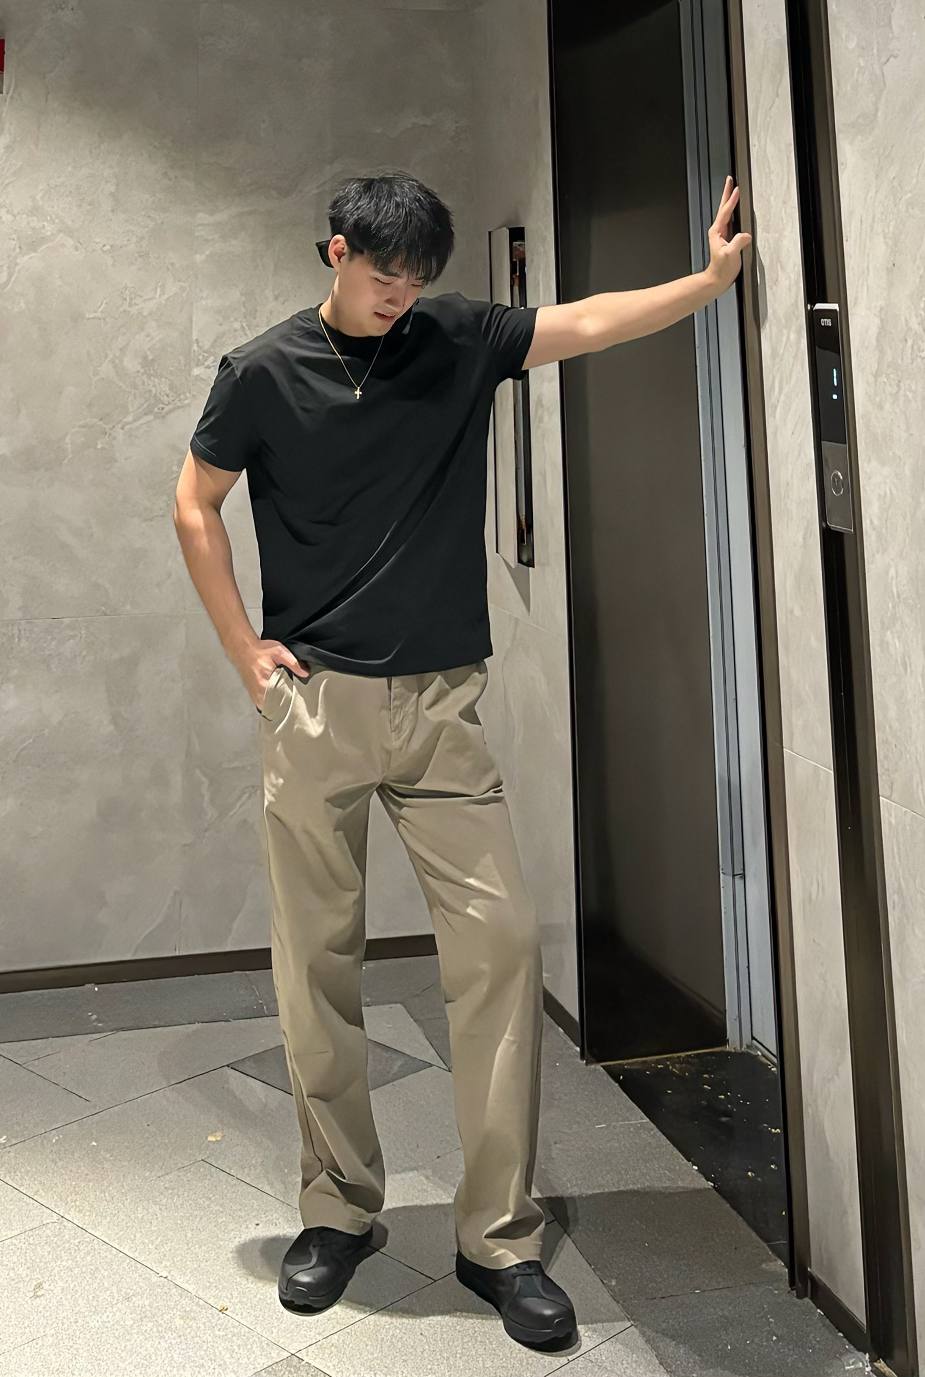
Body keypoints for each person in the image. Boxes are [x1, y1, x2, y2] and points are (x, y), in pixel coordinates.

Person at [173, 171, 750, 1352]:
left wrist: (707, 281)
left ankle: (497, 1236)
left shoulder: (458, 337)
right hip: (317, 704)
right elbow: (194, 503)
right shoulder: (261, 371)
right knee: (315, 963)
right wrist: (244, 652)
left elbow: (587, 322)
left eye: (416, 278)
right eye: (383, 274)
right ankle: (337, 1209)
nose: (399, 295)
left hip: (443, 706)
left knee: (498, 949)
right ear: (335, 252)